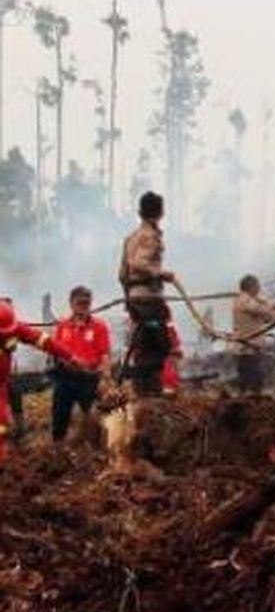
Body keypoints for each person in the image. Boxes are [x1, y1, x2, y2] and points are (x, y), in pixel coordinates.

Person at [0, 300, 79, 461]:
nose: (9, 338)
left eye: (10, 334)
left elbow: (42, 340)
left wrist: (68, 355)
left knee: (2, 423)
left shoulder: (14, 328)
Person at [119, 191, 175, 397]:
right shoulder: (149, 236)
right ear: (161, 212)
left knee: (143, 345)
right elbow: (137, 262)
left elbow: (122, 273)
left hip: (136, 297)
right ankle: (150, 391)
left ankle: (142, 390)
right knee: (159, 345)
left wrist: (128, 297)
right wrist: (160, 273)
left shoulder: (131, 237)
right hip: (149, 298)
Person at [50, 287, 113, 442]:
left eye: (87, 303)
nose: (83, 306)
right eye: (80, 302)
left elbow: (105, 354)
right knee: (59, 413)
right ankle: (57, 446)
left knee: (94, 415)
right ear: (71, 303)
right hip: (66, 377)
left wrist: (105, 378)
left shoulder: (99, 326)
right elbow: (56, 351)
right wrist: (66, 362)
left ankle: (95, 447)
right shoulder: (62, 326)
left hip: (89, 378)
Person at [232, 274, 275, 394]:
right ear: (251, 287)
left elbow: (266, 319)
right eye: (257, 286)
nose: (259, 289)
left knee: (248, 384)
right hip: (248, 350)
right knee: (253, 385)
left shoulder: (242, 300)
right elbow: (266, 312)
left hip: (248, 350)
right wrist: (273, 307)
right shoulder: (246, 301)